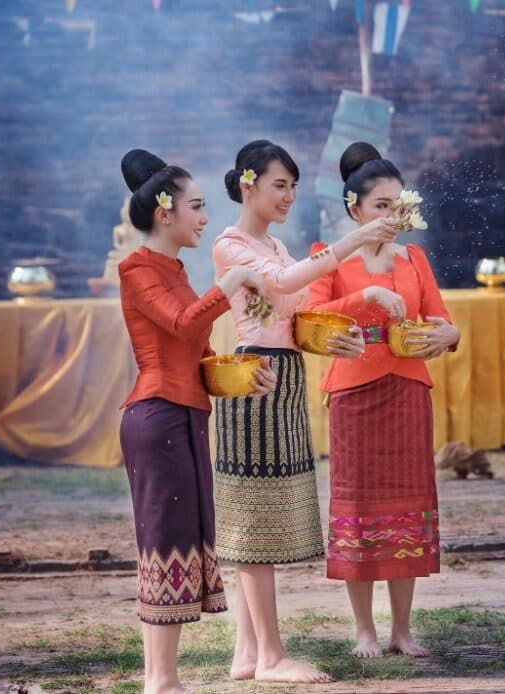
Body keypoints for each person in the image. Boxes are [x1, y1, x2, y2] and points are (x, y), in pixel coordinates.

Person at [211, 139, 396, 683]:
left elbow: (296, 313)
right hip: (256, 380)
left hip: (283, 377)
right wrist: (354, 241)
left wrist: (341, 326)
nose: (289, 195)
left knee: (264, 517)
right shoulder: (231, 244)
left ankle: (249, 653)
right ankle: (270, 656)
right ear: (249, 186)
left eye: (292, 185)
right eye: (279, 185)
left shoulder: (274, 244)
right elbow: (283, 286)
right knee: (255, 521)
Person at [117, 148, 275, 694]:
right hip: (155, 417)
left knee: (181, 541)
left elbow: (195, 352)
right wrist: (229, 286)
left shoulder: (176, 271)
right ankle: (159, 681)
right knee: (163, 543)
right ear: (166, 212)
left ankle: (166, 678)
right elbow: (183, 327)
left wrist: (237, 376)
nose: (204, 219)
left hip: (183, 416)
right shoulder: (137, 269)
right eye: (197, 207)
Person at [305, 141, 459, 659]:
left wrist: (448, 333)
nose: (393, 216)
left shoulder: (414, 258)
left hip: (408, 390)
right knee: (360, 508)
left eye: (399, 205)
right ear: (355, 209)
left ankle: (402, 629)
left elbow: (441, 316)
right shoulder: (329, 257)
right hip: (354, 393)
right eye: (381, 206)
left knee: (407, 507)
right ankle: (364, 630)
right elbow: (313, 318)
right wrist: (366, 298)